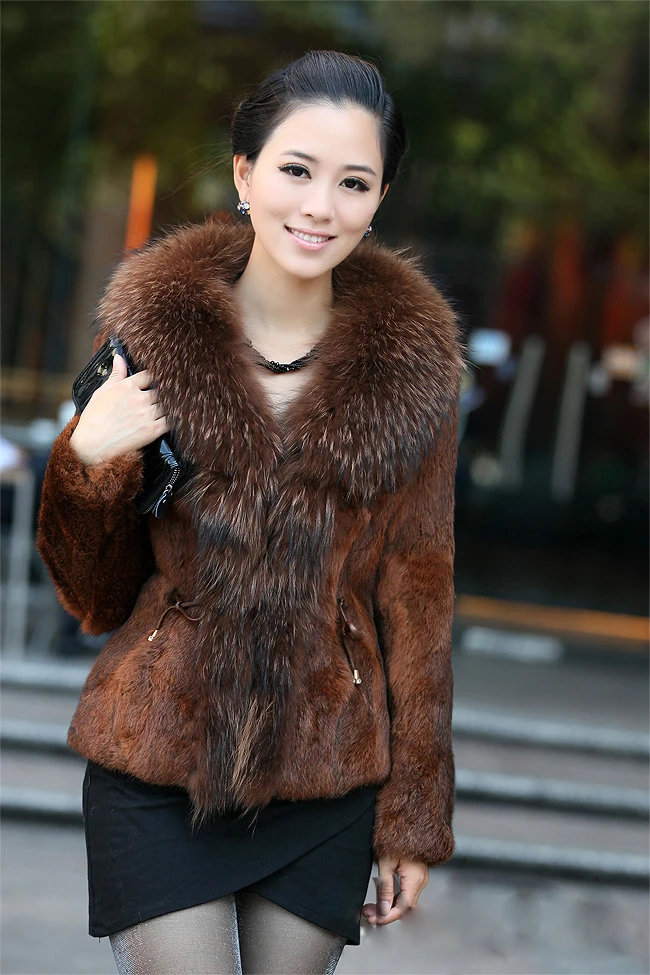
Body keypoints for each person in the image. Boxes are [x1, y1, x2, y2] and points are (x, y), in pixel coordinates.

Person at [37, 49, 464, 975]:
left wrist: (415, 814)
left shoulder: (416, 374)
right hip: (155, 751)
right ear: (244, 172)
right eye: (296, 170)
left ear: (380, 198)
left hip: (328, 769)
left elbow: (419, 593)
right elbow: (96, 596)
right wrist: (88, 459)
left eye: (353, 183)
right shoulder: (153, 341)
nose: (320, 206)